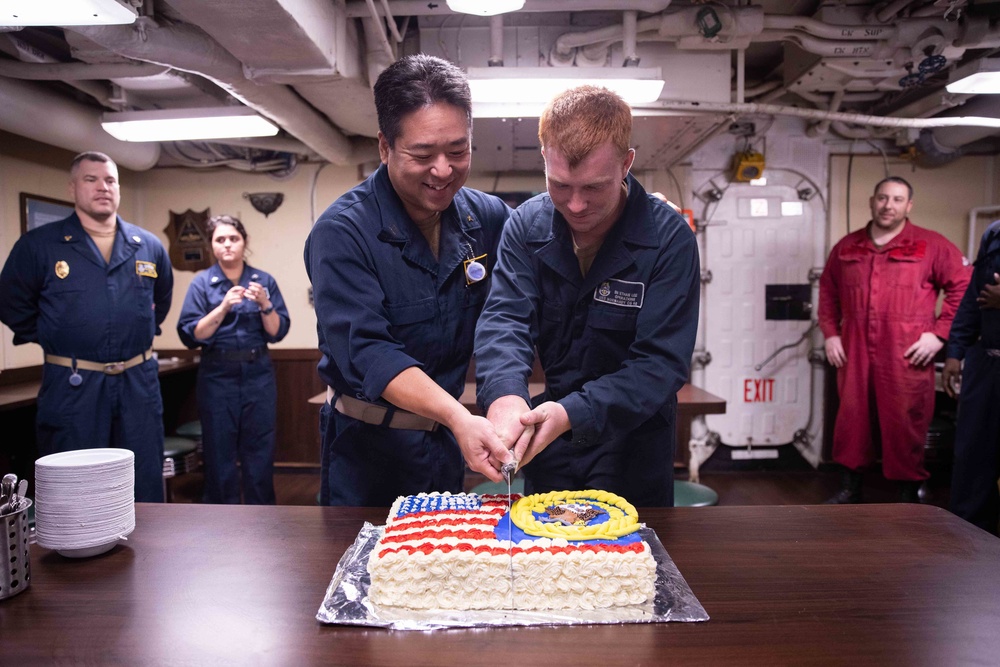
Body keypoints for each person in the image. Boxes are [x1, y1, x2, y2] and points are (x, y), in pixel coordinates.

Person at [473, 85, 701, 507]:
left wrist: (571, 413)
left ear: (627, 162)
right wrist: (505, 395)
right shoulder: (525, 226)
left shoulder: (669, 240)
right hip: (547, 438)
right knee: (545, 561)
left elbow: (660, 364)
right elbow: (505, 321)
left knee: (631, 564)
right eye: (560, 186)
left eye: (594, 188)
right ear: (544, 160)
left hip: (634, 443)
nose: (575, 205)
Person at [303, 54, 514, 507]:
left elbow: (543, 257)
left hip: (446, 445)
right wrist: (459, 417)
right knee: (364, 573)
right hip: (368, 452)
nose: (443, 170)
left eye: (458, 151)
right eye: (422, 155)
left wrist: (633, 213)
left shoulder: (487, 217)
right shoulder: (342, 233)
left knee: (442, 569)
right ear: (384, 146)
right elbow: (369, 353)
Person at [0, 151, 173, 502]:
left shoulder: (148, 246)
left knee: (144, 480)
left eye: (110, 180)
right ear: (72, 188)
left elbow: (162, 301)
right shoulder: (40, 246)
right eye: (91, 179)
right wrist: (56, 332)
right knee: (75, 483)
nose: (102, 187)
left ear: (119, 189)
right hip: (74, 383)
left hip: (138, 382)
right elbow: (11, 304)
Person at [818, 177, 970, 504]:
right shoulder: (847, 247)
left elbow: (963, 287)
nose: (889, 205)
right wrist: (831, 333)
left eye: (897, 199)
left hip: (906, 350)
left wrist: (939, 334)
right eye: (883, 198)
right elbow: (828, 293)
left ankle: (907, 493)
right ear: (873, 201)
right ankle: (850, 486)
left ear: (908, 206)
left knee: (906, 419)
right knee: (852, 418)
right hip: (855, 346)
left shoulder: (932, 245)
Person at [177, 215, 290, 504]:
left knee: (259, 450)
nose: (227, 245)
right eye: (220, 240)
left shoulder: (264, 281)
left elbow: (277, 332)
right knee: (218, 451)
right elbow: (193, 335)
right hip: (217, 374)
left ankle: (262, 519)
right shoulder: (202, 283)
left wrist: (265, 304)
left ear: (244, 242)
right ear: (212, 246)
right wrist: (223, 306)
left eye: (233, 238)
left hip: (258, 373)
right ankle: (220, 524)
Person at [943, 219, 1000, 535]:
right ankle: (968, 543)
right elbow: (973, 299)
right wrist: (956, 351)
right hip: (986, 363)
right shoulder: (994, 233)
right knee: (972, 459)